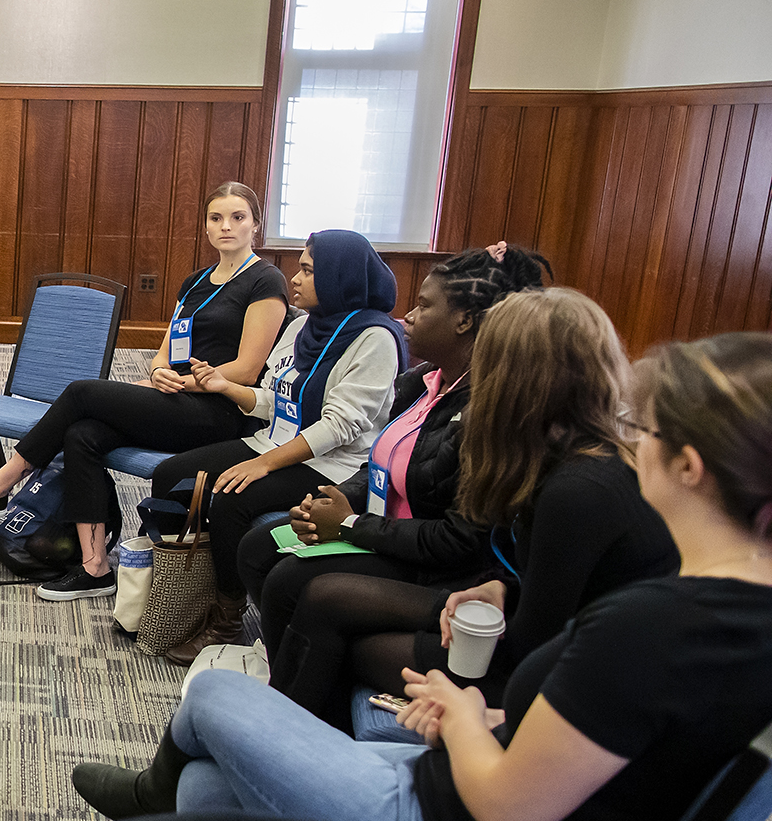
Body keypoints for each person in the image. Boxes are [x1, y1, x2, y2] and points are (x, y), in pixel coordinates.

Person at [68, 332, 772, 821]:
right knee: (207, 791)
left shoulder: (654, 625)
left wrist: (466, 718)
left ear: (690, 466)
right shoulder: (720, 610)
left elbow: (503, 808)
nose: (629, 445)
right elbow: (626, 743)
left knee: (216, 697)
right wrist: (497, 714)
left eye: (643, 432)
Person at [257, 288, 678, 738]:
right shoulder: (569, 452)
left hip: (571, 680)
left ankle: (295, 749)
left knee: (349, 642)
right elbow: (560, 582)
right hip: (530, 625)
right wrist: (502, 587)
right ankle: (288, 742)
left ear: (516, 378)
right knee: (325, 597)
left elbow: (537, 644)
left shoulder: (579, 489)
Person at [0, 182, 289, 597]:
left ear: (256, 225)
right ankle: (95, 566)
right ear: (206, 227)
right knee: (81, 434)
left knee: (83, 393)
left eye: (238, 217)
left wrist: (186, 382)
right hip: (176, 398)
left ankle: (0, 484)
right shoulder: (195, 282)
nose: (226, 226)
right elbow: (164, 352)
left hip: (222, 412)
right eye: (216, 218)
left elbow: (246, 370)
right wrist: (157, 373)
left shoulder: (266, 280)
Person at [233, 244, 552, 663]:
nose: (409, 317)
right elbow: (381, 462)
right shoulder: (423, 382)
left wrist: (348, 525)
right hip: (378, 529)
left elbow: (457, 541)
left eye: (423, 305)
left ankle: (302, 677)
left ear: (464, 321)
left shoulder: (485, 414)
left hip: (428, 562)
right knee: (258, 548)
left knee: (289, 582)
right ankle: (291, 654)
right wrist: (334, 500)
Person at [140, 230, 407, 657]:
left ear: (340, 279)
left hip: (331, 463)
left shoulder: (375, 338)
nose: (294, 279)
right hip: (274, 439)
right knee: (172, 474)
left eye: (307, 270)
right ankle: (181, 594)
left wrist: (264, 465)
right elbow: (273, 401)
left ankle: (226, 617)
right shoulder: (302, 325)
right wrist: (224, 386)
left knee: (230, 496)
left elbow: (339, 426)